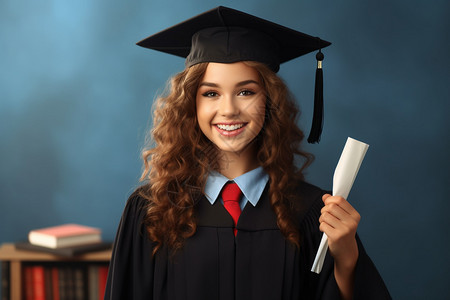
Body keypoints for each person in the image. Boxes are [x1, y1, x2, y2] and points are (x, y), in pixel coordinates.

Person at [104, 6, 391, 300]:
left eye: (246, 91)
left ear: (270, 101)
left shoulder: (312, 213)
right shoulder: (150, 211)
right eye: (211, 93)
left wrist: (346, 260)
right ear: (192, 104)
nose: (228, 109)